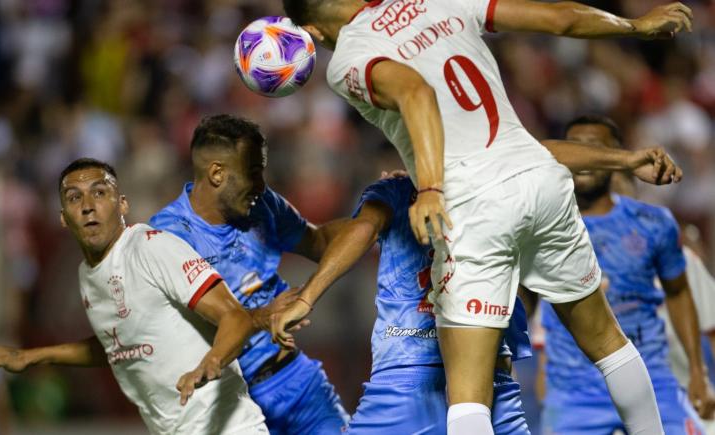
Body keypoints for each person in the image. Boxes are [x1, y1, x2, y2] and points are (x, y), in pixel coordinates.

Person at [278, 0, 692, 433]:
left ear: (314, 33)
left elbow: (415, 91)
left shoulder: (350, 56)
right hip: (540, 178)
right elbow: (559, 16)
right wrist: (635, 27)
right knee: (609, 344)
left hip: (474, 205)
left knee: (468, 396)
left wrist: (432, 188)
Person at [273, 137, 686, 434]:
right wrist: (624, 160)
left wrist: (309, 294)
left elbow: (360, 231)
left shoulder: (393, 193)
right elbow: (538, 153)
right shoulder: (492, 177)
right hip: (487, 380)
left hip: (407, 383)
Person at [0, 158, 268, 435]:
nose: (88, 206)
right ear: (63, 218)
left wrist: (211, 362)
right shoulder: (87, 275)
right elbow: (118, 345)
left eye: (99, 193)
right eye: (75, 197)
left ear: (122, 204)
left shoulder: (151, 248)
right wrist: (31, 356)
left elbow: (235, 316)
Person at [149, 114, 349, 434]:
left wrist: (378, 213)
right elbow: (175, 329)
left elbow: (320, 241)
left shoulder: (262, 205)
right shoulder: (167, 237)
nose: (261, 185)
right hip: (231, 401)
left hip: (298, 383)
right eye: (252, 172)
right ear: (217, 173)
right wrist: (265, 315)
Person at [533, 115, 714, 434]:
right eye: (576, 148)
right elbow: (525, 301)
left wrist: (698, 372)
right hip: (573, 396)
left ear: (616, 155)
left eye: (596, 148)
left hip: (653, 383)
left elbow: (678, 292)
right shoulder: (540, 226)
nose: (586, 160)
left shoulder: (652, 222)